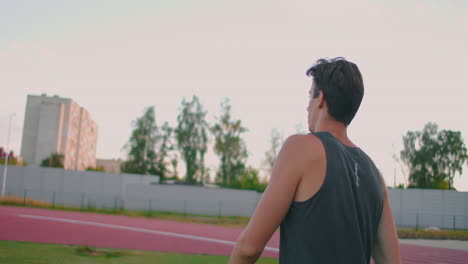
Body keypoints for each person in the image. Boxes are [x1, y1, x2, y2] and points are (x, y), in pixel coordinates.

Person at [229, 57, 401, 264]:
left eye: (310, 96)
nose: (307, 106)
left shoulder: (300, 148)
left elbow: (249, 248)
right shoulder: (374, 173)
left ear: (321, 99)